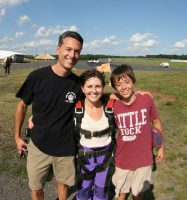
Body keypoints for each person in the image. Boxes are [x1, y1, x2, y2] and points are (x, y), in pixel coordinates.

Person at [14, 30, 83, 200]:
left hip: (66, 148)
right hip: (38, 146)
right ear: (58, 49)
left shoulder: (78, 84)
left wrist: (123, 95)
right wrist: (16, 137)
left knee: (63, 186)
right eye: (68, 49)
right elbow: (22, 105)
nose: (72, 55)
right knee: (36, 189)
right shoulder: (37, 77)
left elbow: (96, 95)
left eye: (77, 51)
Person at [110, 64, 164, 200]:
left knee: (137, 194)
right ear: (114, 87)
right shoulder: (113, 104)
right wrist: (111, 95)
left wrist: (161, 147)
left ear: (133, 81)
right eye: (119, 84)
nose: (124, 87)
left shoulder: (146, 99)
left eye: (127, 82)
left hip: (143, 159)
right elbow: (95, 94)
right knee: (121, 195)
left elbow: (156, 123)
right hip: (122, 159)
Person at [74, 69, 116, 200]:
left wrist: (138, 94)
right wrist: (34, 118)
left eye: (98, 86)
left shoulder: (110, 106)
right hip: (85, 160)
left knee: (101, 192)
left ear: (103, 87)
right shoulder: (76, 109)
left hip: (106, 159)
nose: (94, 90)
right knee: (83, 191)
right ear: (82, 88)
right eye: (89, 86)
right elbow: (55, 113)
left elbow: (130, 102)